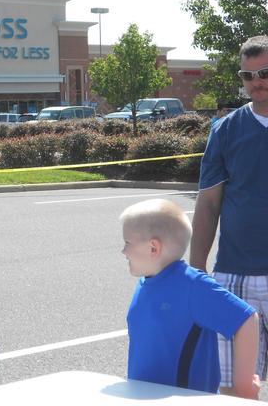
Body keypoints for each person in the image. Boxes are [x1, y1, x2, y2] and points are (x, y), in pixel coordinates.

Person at [190, 34, 268, 396]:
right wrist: (194, 272)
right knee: (237, 392)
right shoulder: (225, 130)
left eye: (265, 72)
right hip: (234, 277)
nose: (257, 82)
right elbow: (208, 204)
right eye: (248, 76)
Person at [121, 199, 259, 398]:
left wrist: (244, 385)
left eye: (127, 243)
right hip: (143, 397)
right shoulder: (146, 281)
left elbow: (246, 319)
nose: (123, 251)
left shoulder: (193, 285)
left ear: (153, 247)